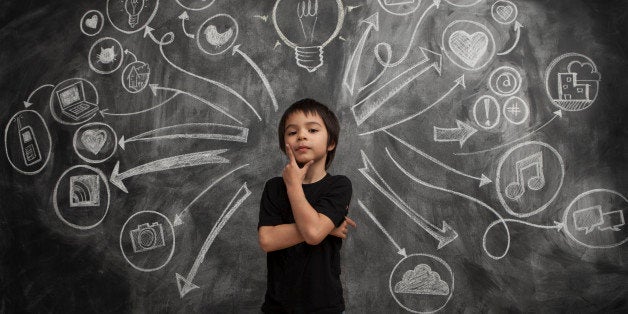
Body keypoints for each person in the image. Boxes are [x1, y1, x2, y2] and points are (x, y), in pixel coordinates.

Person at [258, 98, 356, 313]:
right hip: (278, 306)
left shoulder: (339, 185)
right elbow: (267, 240)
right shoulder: (274, 187)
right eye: (292, 132)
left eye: (312, 130)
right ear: (284, 144)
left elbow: (312, 233)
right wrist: (326, 227)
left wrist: (294, 185)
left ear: (331, 143)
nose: (301, 135)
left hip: (324, 306)